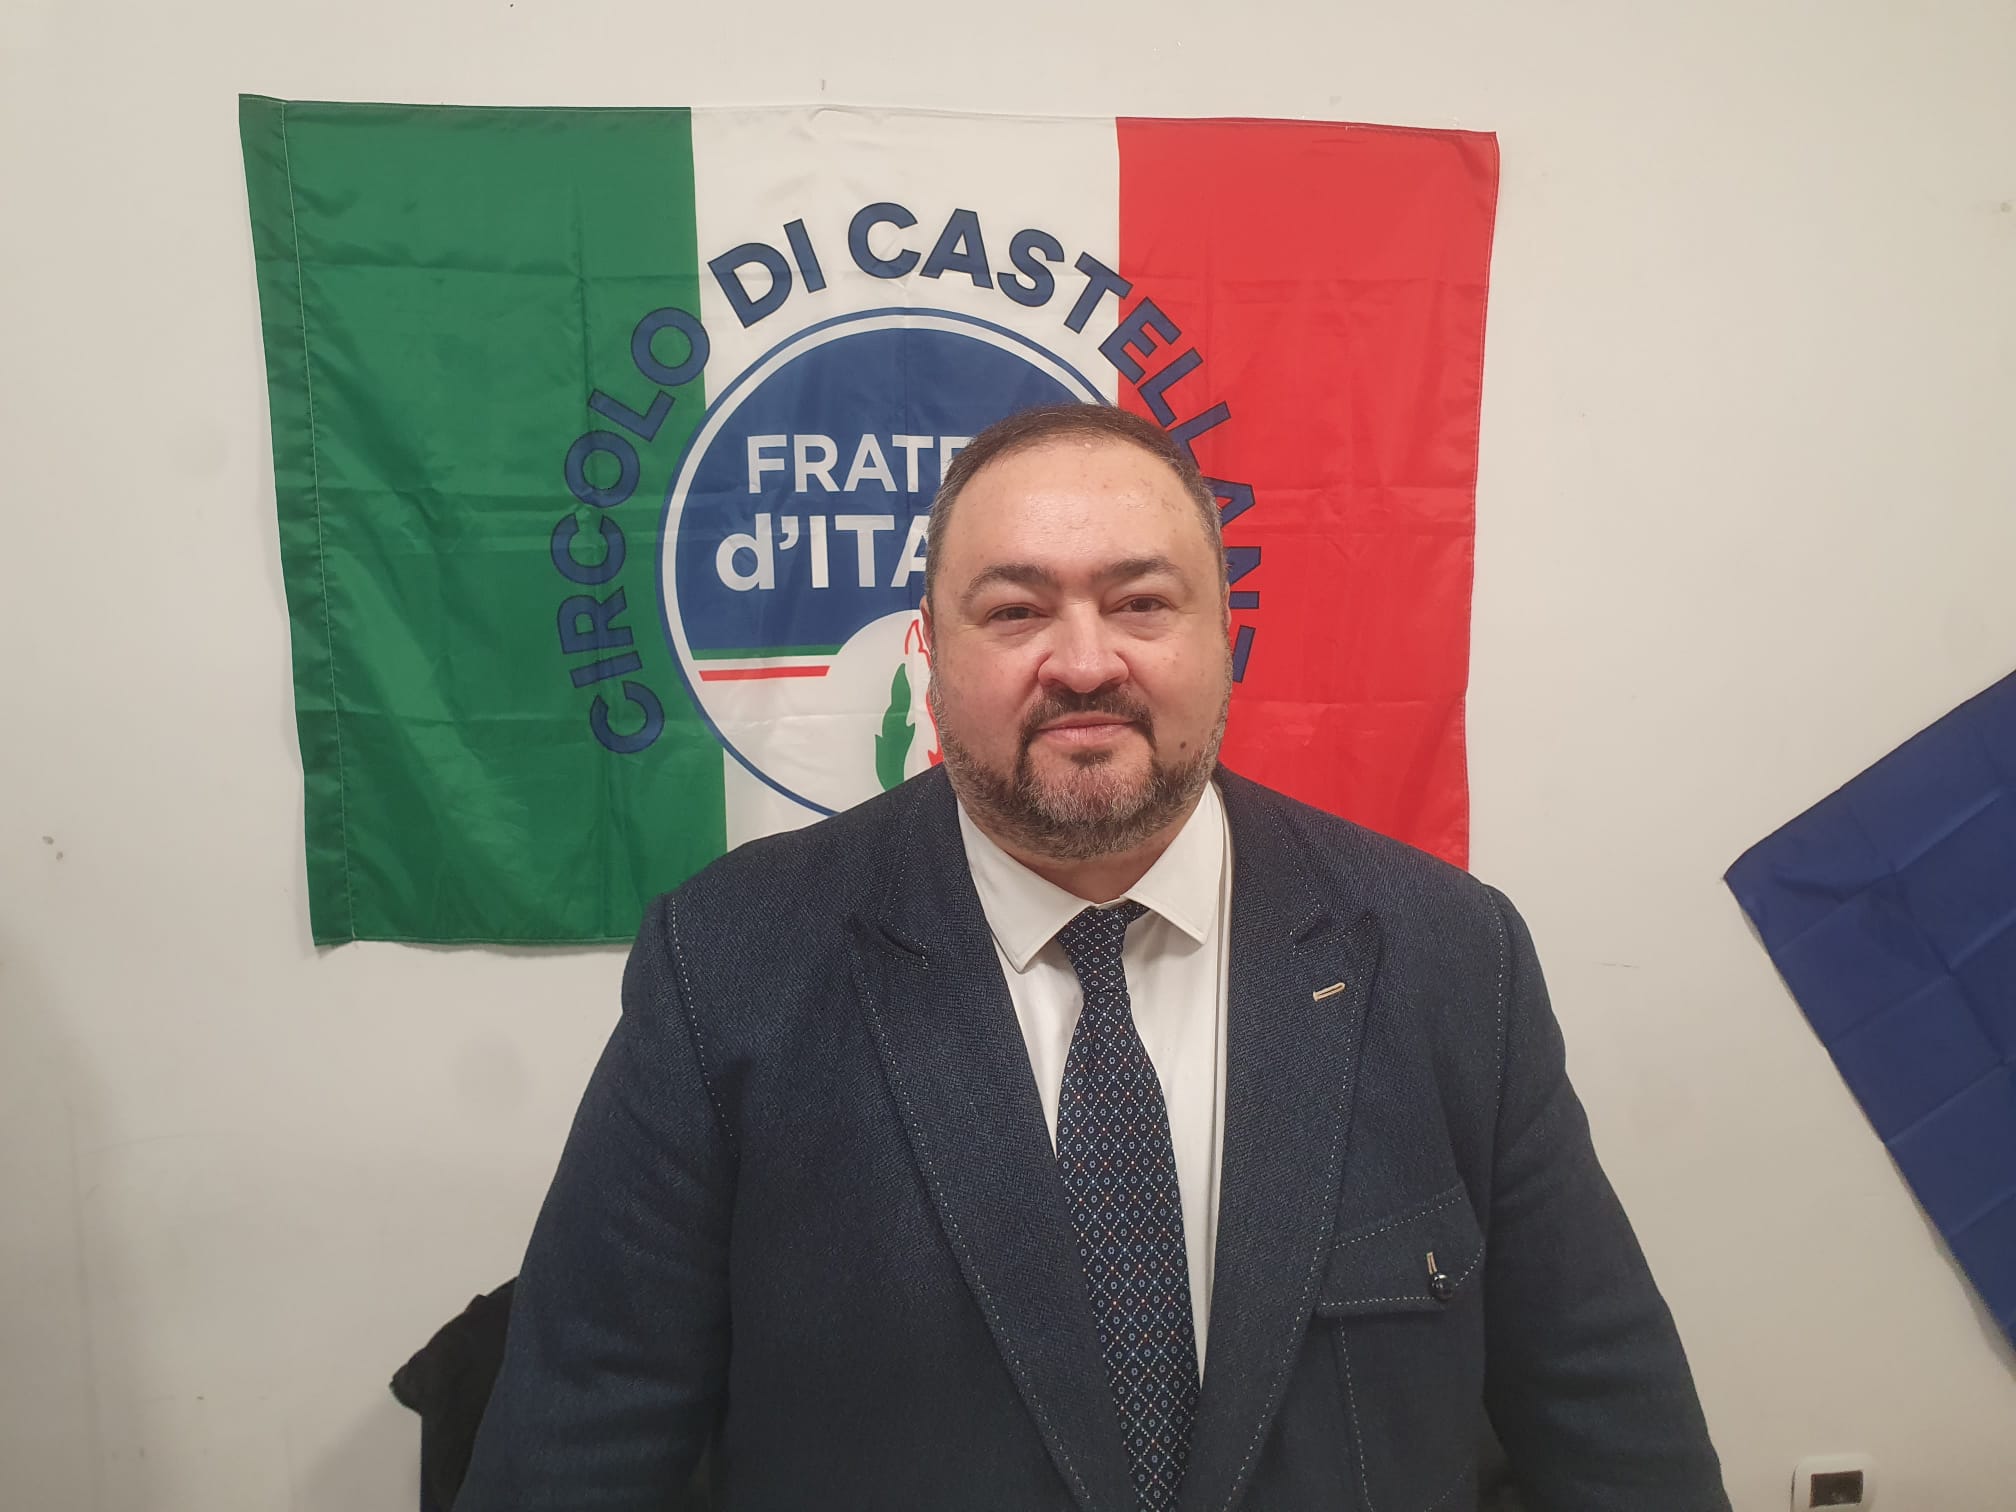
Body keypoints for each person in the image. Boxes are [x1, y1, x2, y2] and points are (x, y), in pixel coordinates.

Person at [455, 405, 1728, 1512]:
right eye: (1014, 610)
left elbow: (1605, 1408)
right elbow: (583, 1433)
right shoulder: (730, 964)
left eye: (1141, 602)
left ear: (1223, 635)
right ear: (929, 652)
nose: (1083, 662)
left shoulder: (1450, 955)